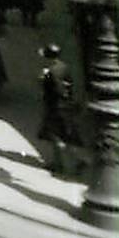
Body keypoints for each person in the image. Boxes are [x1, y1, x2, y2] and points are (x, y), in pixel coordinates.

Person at [37, 45, 83, 176]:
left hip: (55, 107)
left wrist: (43, 79)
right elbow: (69, 84)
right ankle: (77, 160)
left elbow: (57, 90)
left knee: (56, 136)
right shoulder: (64, 66)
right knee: (68, 135)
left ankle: (59, 164)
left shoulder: (50, 72)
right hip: (66, 106)